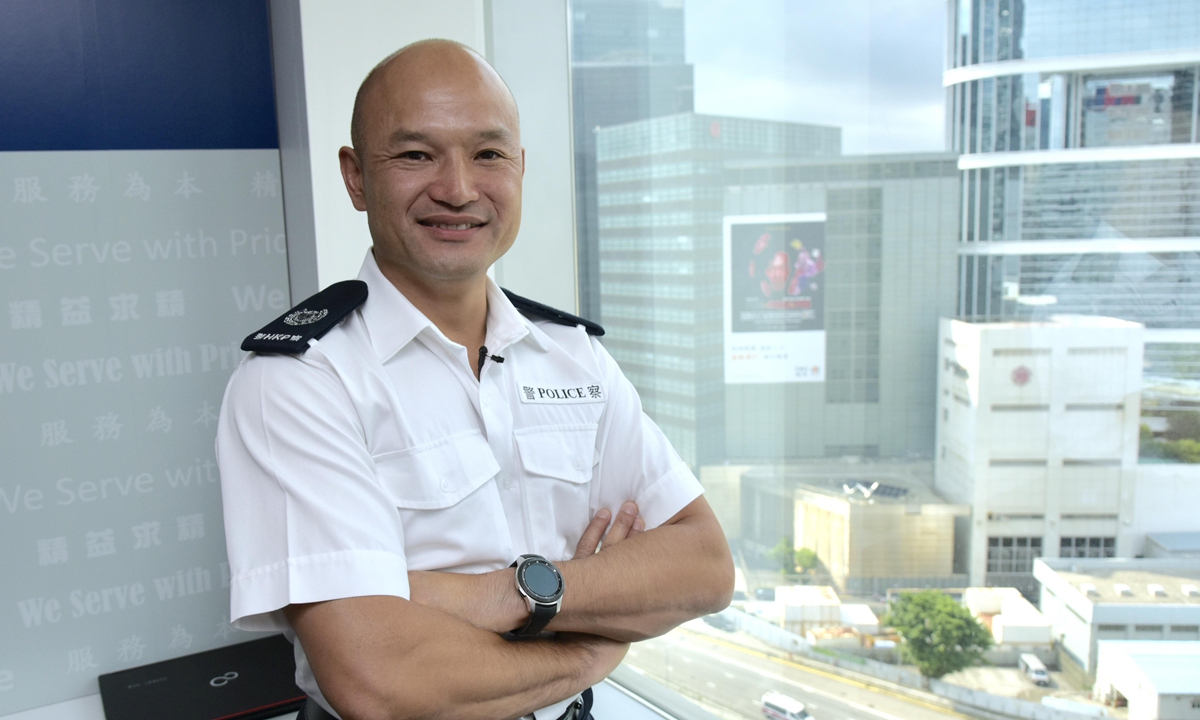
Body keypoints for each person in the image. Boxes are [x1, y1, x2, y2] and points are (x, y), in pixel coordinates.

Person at [216, 39, 734, 720]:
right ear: (356, 178)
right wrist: (590, 644)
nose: (458, 189)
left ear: (520, 168)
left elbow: (704, 567)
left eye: (488, 154)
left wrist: (495, 595)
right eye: (415, 154)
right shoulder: (298, 382)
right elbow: (381, 681)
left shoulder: (573, 357)